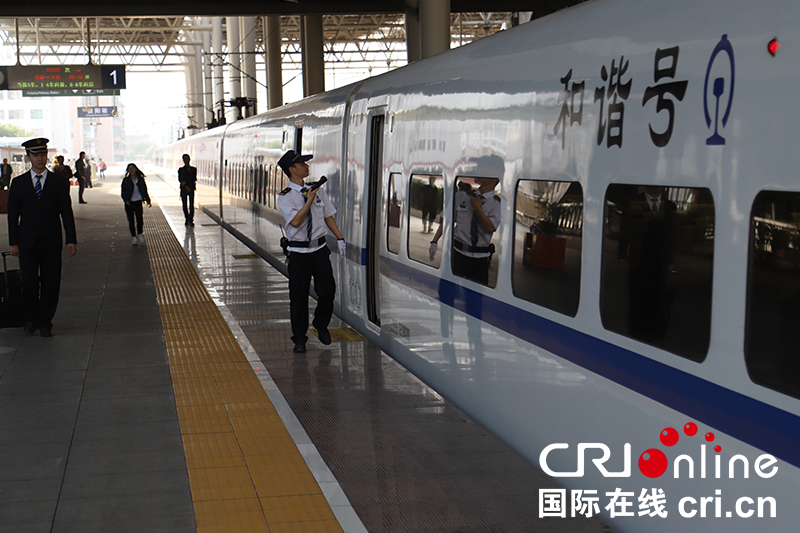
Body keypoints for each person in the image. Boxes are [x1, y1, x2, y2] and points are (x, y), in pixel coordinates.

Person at [277, 149, 346, 354]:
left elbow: (328, 216)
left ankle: (320, 324)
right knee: (298, 297)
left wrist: (340, 238)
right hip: (298, 253)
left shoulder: (317, 190)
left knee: (327, 291)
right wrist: (308, 200)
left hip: (319, 250)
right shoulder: (285, 197)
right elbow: (296, 222)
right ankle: (299, 338)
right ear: (292, 169)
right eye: (302, 164)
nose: (307, 167)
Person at [6, 138, 77, 336]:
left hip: (51, 242)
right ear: (28, 157)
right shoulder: (18, 183)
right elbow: (13, 215)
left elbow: (66, 212)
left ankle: (45, 322)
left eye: (43, 154)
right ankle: (30, 318)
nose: (40, 158)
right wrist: (13, 243)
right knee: (29, 282)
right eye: (35, 154)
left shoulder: (58, 183)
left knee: (51, 283)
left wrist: (71, 239)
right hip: (27, 243)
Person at [617, 185, 677, 343]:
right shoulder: (633, 203)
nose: (656, 186)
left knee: (657, 293)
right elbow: (625, 230)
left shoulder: (670, 206)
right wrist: (622, 255)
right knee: (637, 292)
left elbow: (672, 236)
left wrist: (670, 260)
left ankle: (653, 328)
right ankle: (636, 327)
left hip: (660, 259)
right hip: (638, 257)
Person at [450, 175, 501, 286]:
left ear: (494, 179)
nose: (480, 173)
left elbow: (490, 228)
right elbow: (447, 219)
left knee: (476, 294)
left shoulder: (496, 204)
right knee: (449, 289)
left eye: (486, 172)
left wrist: (477, 207)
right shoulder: (463, 195)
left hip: (479, 259)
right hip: (457, 253)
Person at [121, 163, 151, 246]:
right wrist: (126, 200)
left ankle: (140, 234)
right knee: (131, 220)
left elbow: (144, 190)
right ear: (128, 170)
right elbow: (123, 192)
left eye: (133, 168)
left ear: (136, 169)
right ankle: (134, 237)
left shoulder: (140, 179)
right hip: (129, 203)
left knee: (139, 219)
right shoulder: (126, 180)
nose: (132, 170)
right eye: (130, 169)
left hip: (138, 202)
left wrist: (148, 200)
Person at [178, 153, 197, 227]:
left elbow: (194, 179)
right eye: (184, 159)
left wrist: (186, 183)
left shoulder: (193, 169)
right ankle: (187, 218)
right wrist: (186, 185)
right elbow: (180, 179)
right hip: (184, 189)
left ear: (189, 159)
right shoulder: (181, 170)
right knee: (184, 205)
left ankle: (191, 219)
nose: (186, 160)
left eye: (187, 159)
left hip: (191, 189)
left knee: (191, 205)